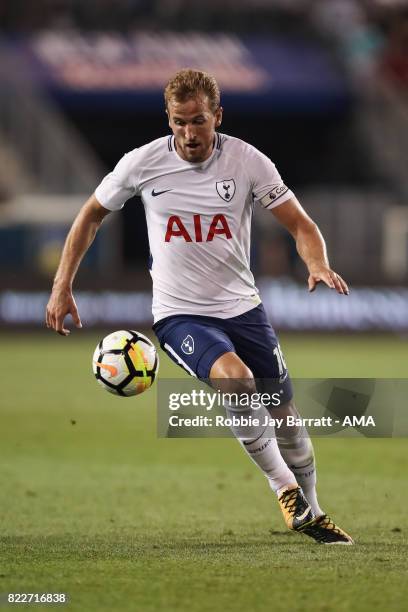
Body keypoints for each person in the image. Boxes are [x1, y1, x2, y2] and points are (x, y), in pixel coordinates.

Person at [46, 68, 353, 545]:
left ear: (217, 116)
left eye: (198, 121)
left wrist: (316, 263)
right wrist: (62, 284)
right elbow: (91, 214)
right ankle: (284, 488)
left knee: (287, 417)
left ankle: (314, 510)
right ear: (168, 119)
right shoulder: (141, 164)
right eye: (179, 122)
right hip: (179, 315)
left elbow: (301, 225)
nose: (189, 134)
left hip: (244, 309)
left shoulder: (248, 162)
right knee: (237, 380)